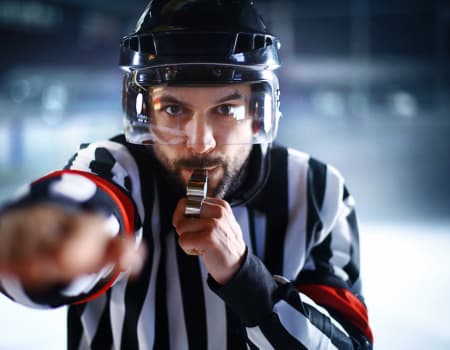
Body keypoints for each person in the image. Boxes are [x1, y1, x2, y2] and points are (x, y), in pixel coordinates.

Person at [0, 0, 373, 349]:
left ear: (259, 113)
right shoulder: (115, 165)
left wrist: (244, 277)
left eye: (226, 110)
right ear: (145, 112)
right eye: (174, 109)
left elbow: (350, 343)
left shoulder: (316, 189)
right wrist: (50, 237)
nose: (200, 143)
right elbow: (90, 200)